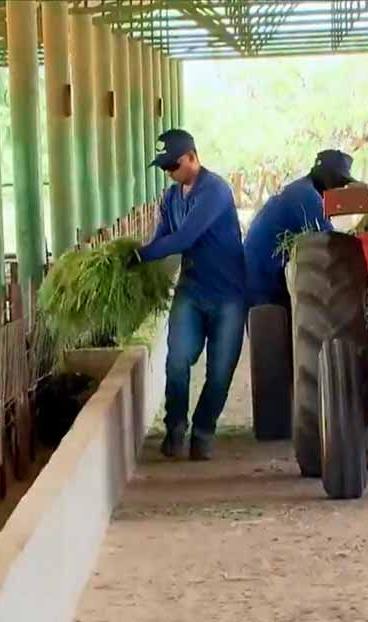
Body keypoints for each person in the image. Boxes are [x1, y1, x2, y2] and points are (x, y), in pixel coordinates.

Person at [127, 128, 246, 461]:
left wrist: (140, 255)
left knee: (220, 370)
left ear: (192, 157)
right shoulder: (170, 198)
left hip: (229, 295)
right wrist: (143, 255)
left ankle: (203, 431)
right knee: (177, 360)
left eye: (173, 166)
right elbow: (162, 238)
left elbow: (182, 239)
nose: (169, 173)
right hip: (191, 290)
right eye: (164, 168)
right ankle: (175, 427)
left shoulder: (215, 191)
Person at [243, 149, 358, 308]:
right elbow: (330, 242)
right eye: (340, 183)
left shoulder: (299, 189)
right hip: (263, 276)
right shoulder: (307, 195)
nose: (340, 189)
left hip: (256, 271)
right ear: (329, 178)